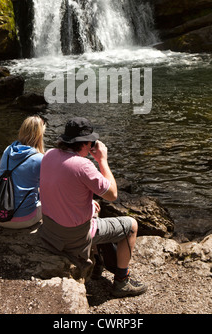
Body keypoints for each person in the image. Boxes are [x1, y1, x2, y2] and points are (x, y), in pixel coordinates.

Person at [39, 117, 147, 297]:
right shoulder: (84, 166)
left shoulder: (50, 154)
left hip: (50, 230)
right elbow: (112, 194)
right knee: (131, 226)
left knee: (95, 208)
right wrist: (102, 160)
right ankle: (122, 281)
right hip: (73, 237)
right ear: (86, 143)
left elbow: (61, 185)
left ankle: (97, 265)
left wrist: (87, 203)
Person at [0, 115, 45, 229]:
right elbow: (47, 191)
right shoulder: (39, 158)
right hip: (23, 220)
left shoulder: (8, 150)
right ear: (40, 135)